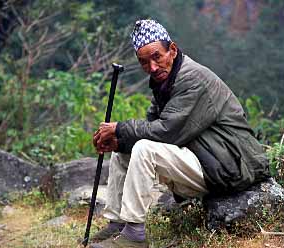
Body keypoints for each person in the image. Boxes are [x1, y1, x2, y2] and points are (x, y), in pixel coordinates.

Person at [90, 19, 270, 248]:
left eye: (157, 57)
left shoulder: (193, 79)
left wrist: (119, 128)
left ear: (172, 50)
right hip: (204, 158)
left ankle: (134, 237)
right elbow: (153, 128)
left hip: (229, 167)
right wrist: (119, 143)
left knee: (145, 149)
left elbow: (166, 132)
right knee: (123, 152)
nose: (152, 67)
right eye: (144, 62)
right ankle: (117, 225)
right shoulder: (165, 80)